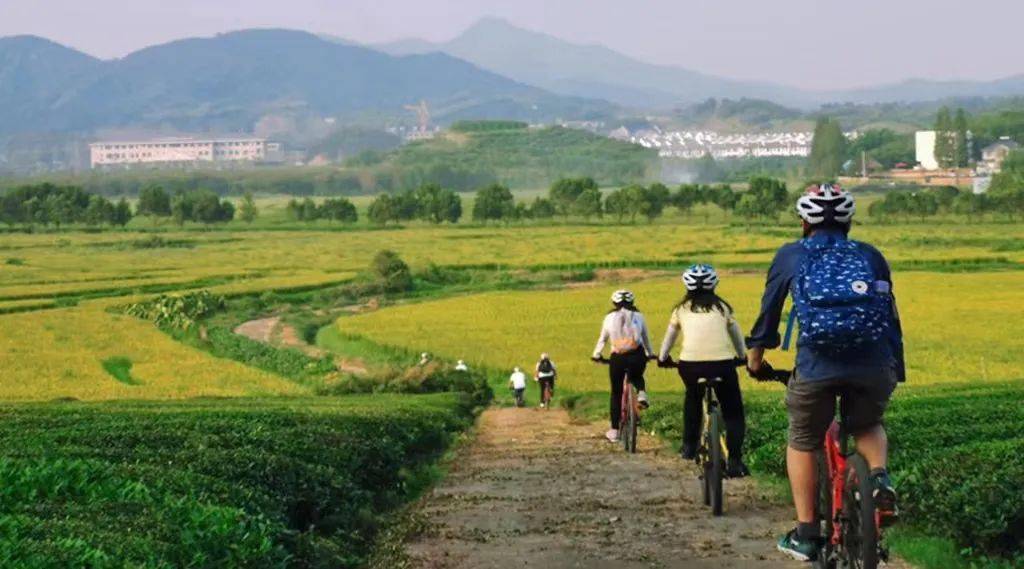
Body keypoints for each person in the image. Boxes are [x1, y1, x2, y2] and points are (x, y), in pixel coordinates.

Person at [745, 184, 904, 562]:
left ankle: (805, 534)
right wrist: (894, 367)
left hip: (817, 367)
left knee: (803, 437)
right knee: (867, 423)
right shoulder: (870, 255)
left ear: (804, 221)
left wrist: (755, 360)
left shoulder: (791, 256)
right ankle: (879, 479)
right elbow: (889, 316)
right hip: (873, 364)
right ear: (848, 220)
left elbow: (769, 316)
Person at [658, 264, 749, 478]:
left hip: (690, 365)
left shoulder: (681, 310)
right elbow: (737, 337)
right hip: (722, 365)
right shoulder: (722, 308)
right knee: (734, 412)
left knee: (693, 397)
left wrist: (663, 358)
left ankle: (689, 446)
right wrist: (743, 357)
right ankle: (735, 460)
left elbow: (669, 339)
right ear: (714, 284)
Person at [592, 289, 655, 443]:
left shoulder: (609, 318)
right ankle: (641, 393)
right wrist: (649, 353)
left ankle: (614, 430)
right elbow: (645, 337)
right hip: (637, 356)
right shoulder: (639, 316)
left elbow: (603, 338)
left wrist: (597, 354)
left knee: (616, 392)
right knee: (637, 376)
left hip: (618, 358)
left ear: (614, 303)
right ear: (632, 302)